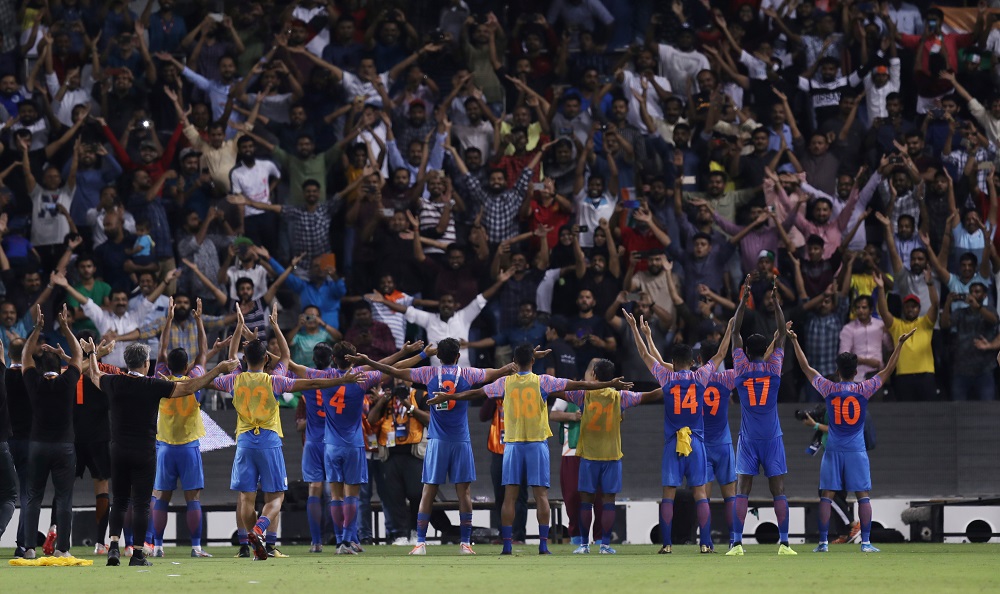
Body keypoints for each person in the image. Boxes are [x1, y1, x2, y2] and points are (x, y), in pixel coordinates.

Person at [428, 343, 632, 555]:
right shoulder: (543, 381)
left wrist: (450, 397)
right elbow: (577, 385)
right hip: (536, 444)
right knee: (541, 495)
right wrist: (609, 383)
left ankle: (507, 545)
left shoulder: (504, 383)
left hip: (513, 445)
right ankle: (543, 546)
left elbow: (476, 393)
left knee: (510, 497)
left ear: (514, 362)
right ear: (533, 361)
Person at [215, 307, 367, 561]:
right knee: (277, 497)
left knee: (246, 497)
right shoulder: (274, 381)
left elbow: (232, 358)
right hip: (269, 441)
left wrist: (240, 326)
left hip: (243, 442)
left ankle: (255, 542)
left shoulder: (234, 380)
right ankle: (260, 530)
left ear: (243, 359)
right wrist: (275, 325)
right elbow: (296, 365)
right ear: (266, 360)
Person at [347, 338, 514, 556]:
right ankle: (465, 544)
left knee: (428, 491)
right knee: (464, 492)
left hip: (437, 441)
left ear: (438, 356)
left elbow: (394, 371)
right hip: (460, 441)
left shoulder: (428, 374)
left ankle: (421, 543)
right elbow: (493, 373)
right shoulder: (468, 374)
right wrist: (509, 367)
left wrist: (369, 361)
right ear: (457, 356)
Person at [86, 339, 239, 567]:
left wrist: (91, 354)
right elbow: (189, 387)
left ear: (128, 363)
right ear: (145, 364)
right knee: (141, 503)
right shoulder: (152, 385)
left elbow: (95, 375)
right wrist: (217, 369)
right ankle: (138, 554)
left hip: (118, 450)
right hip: (145, 452)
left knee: (118, 501)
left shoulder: (114, 382)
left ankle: (114, 548)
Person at [787, 323, 915, 553]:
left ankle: (823, 543)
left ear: (838, 371)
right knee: (863, 496)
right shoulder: (864, 389)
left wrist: (794, 340)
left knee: (827, 495)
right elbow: (887, 370)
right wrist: (899, 345)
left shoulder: (828, 388)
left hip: (834, 448)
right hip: (856, 448)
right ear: (856, 371)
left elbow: (806, 367)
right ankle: (865, 543)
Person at [623, 310, 715, 554]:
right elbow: (722, 352)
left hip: (673, 443)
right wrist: (729, 331)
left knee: (668, 495)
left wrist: (636, 329)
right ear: (693, 361)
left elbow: (644, 354)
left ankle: (666, 545)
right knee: (700, 493)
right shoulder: (701, 377)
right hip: (695, 442)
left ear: (673, 362)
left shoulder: (667, 379)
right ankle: (705, 544)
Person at [552, 358, 659, 554]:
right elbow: (649, 396)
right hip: (611, 456)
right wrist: (673, 384)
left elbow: (556, 390)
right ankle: (605, 545)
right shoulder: (621, 397)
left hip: (588, 457)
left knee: (586, 501)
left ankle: (584, 545)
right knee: (608, 501)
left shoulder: (583, 395)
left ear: (593, 375)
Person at [727, 276, 795, 556]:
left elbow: (735, 331)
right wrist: (776, 303)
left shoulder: (740, 369)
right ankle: (785, 543)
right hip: (772, 437)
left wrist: (743, 301)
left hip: (749, 437)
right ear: (764, 352)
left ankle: (737, 543)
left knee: (742, 489)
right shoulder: (774, 369)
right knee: (778, 489)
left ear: (745, 351)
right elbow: (781, 331)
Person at [149, 297, 214, 558]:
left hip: (165, 447)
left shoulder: (160, 379)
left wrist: (167, 321)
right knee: (193, 499)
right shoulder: (195, 379)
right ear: (187, 366)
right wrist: (199, 321)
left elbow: (162, 349)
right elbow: (203, 352)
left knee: (161, 498)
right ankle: (196, 547)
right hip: (189, 448)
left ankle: (159, 547)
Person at [21, 305, 82, 559]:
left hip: (37, 445)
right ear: (59, 366)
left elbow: (25, 355)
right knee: (64, 498)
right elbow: (78, 353)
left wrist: (36, 329)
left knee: (33, 496)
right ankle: (63, 550)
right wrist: (66, 328)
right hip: (64, 447)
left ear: (39, 366)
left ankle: (29, 549)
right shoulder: (68, 382)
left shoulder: (33, 381)